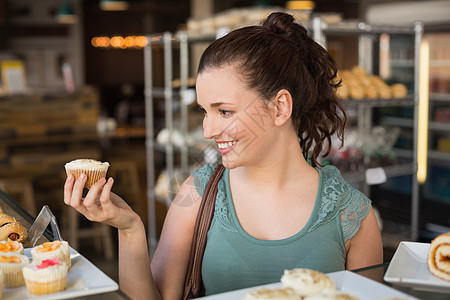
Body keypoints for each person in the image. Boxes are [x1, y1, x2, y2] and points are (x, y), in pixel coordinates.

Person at [64, 12, 383, 300]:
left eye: (225, 111)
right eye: (204, 111)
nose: (208, 130)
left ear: (280, 107)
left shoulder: (352, 216)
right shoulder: (197, 194)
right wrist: (129, 228)